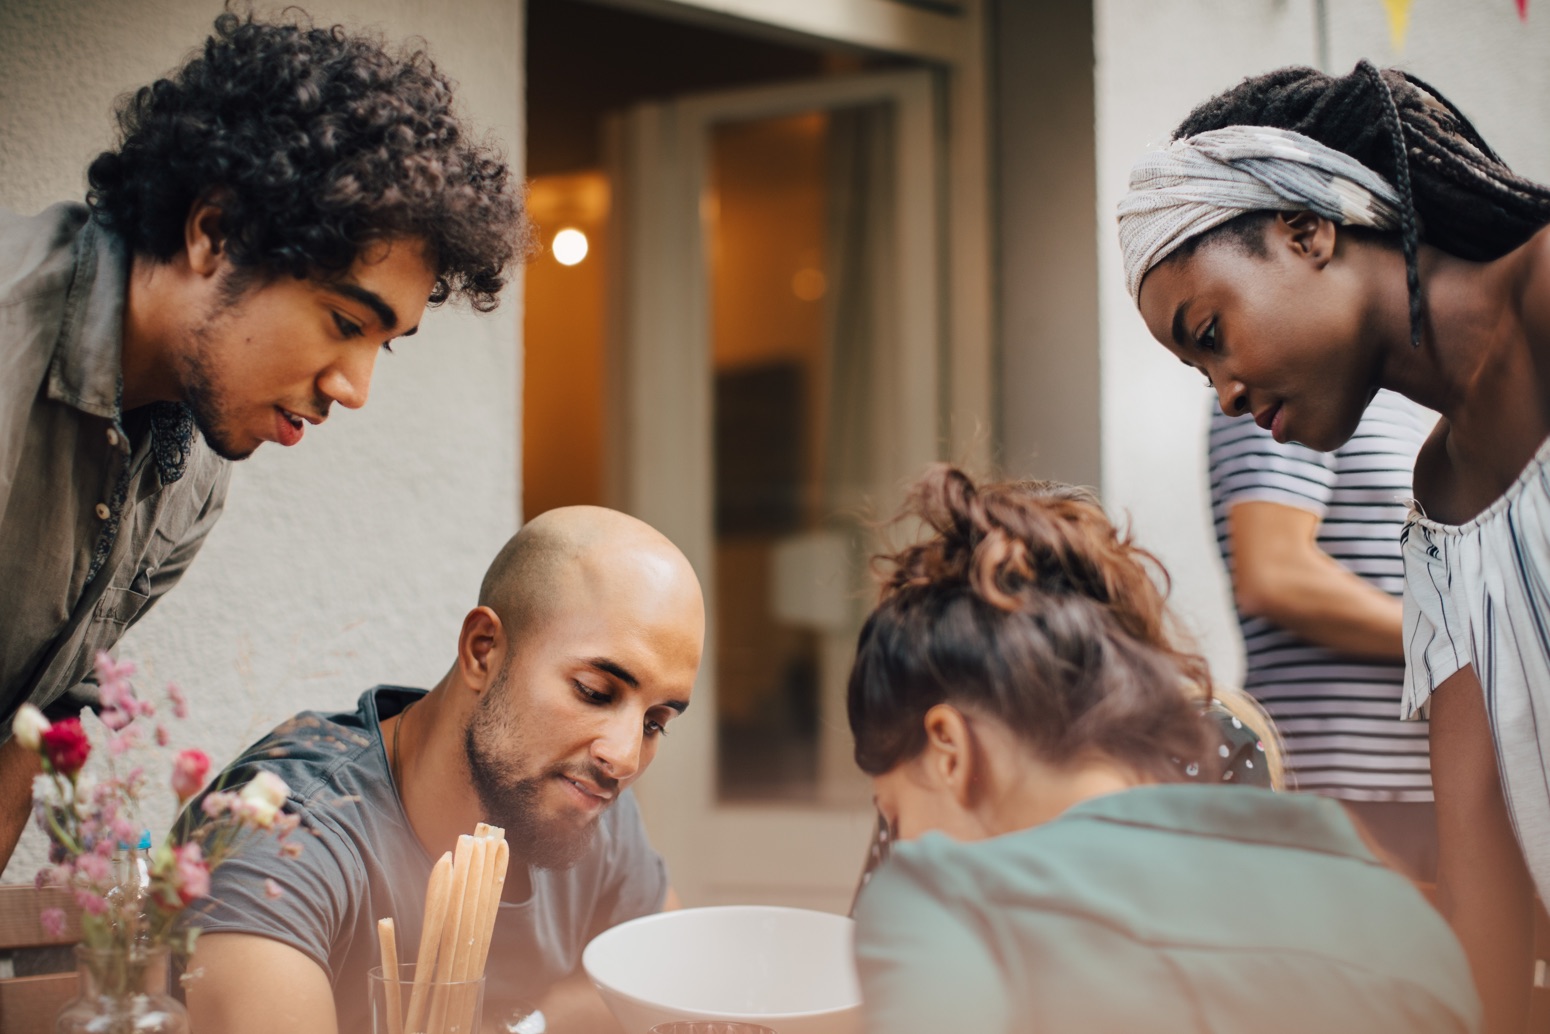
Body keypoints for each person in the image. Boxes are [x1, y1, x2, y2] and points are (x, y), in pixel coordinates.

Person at [0, 11, 528, 870]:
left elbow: (42, 715)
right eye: (343, 321)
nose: (354, 389)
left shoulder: (192, 477)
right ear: (213, 232)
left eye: (380, 345)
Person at [1116, 61, 1550, 1031]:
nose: (1222, 391)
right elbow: (1481, 837)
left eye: (1210, 332)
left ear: (1305, 231)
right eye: (1195, 370)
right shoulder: (1441, 496)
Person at [847, 466, 1478, 1034]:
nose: (898, 844)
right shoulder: (1386, 904)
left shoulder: (945, 903)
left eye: (896, 816)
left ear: (949, 750)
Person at [174, 506, 704, 1034]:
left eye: (655, 722)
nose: (625, 757)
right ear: (483, 651)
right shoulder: (283, 837)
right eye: (594, 692)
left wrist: (523, 1026)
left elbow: (670, 992)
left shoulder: (585, 801)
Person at [1208, 389, 1436, 879]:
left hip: (1411, 780)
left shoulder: (1399, 403)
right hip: (1339, 782)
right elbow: (1275, 573)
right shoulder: (1275, 386)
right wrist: (1455, 643)